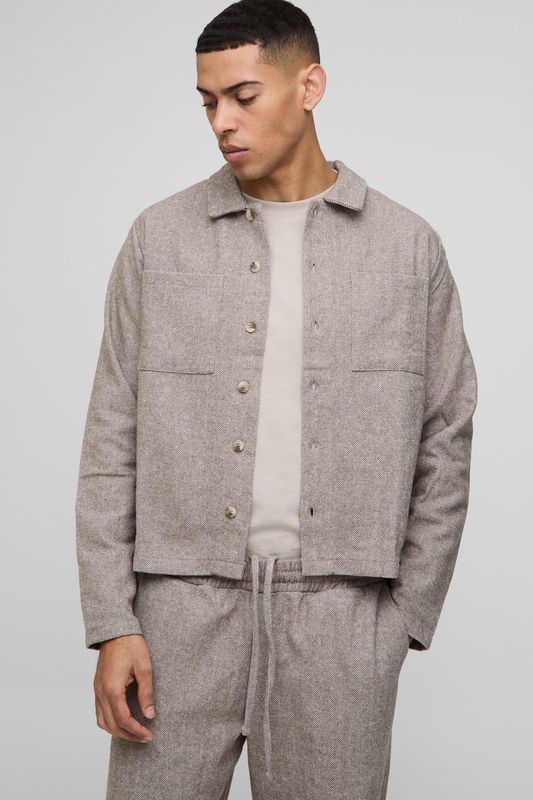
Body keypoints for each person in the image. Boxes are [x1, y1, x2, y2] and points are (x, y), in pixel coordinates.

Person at [75, 1, 478, 797]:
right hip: (176, 613)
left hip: (342, 617)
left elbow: (446, 435)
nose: (221, 121)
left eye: (243, 96)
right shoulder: (160, 239)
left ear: (309, 86)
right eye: (207, 102)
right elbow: (110, 437)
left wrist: (401, 618)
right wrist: (112, 622)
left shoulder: (405, 248)